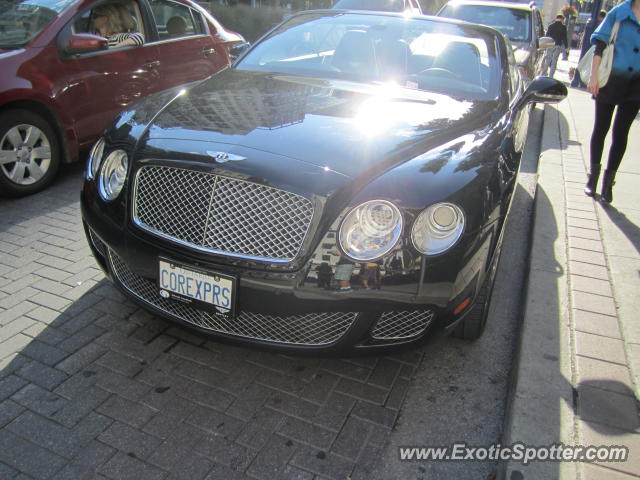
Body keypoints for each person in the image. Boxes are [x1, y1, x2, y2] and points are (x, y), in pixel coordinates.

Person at [584, 0, 640, 203]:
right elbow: (600, 45)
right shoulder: (619, 12)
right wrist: (593, 77)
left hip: (636, 86)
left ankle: (608, 184)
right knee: (601, 129)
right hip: (609, 80)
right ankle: (593, 178)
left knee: (621, 133)